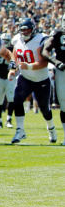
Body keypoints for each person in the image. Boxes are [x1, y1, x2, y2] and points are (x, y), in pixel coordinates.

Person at [11, 18, 55, 144]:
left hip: (41, 79)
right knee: (17, 100)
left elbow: (44, 63)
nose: (24, 32)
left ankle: (51, 128)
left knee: (44, 108)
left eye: (27, 30)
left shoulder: (40, 39)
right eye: (23, 30)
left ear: (33, 30)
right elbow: (15, 54)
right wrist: (14, 68)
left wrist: (28, 66)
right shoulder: (17, 39)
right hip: (25, 77)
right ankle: (20, 130)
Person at [41, 14, 65, 145]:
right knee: (64, 105)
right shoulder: (58, 33)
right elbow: (45, 51)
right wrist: (56, 62)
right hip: (62, 71)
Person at [0, 32, 16, 129]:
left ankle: (9, 119)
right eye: (4, 41)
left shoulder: (12, 50)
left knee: (11, 98)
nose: (6, 43)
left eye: (7, 41)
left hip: (10, 77)